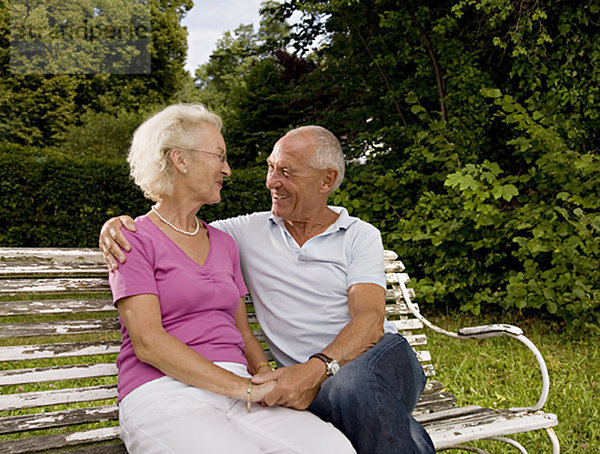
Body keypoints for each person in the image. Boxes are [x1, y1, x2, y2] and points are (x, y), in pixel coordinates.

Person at [100, 124, 435, 453]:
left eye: (287, 171)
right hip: (290, 384)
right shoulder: (242, 233)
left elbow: (369, 321)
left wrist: (315, 369)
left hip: (374, 356)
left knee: (353, 386)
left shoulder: (359, 234)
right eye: (272, 168)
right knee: (352, 414)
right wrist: (113, 226)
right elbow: (173, 232)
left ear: (327, 180)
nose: (272, 182)